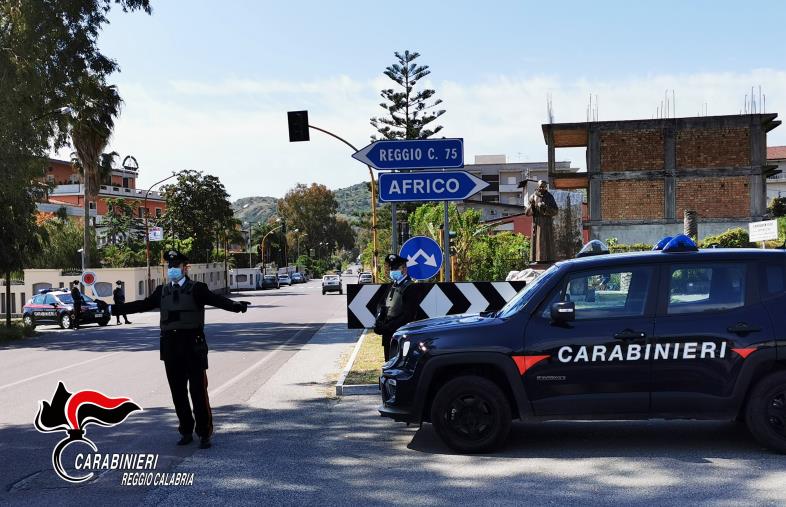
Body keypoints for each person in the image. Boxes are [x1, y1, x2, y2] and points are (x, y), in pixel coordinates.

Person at [110, 251, 249, 449]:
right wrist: (112, 310)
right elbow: (141, 305)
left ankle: (204, 433)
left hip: (193, 345)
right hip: (170, 347)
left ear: (185, 268)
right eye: (170, 266)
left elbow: (216, 300)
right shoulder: (162, 291)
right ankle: (185, 430)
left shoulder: (197, 289)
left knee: (198, 391)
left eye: (177, 265)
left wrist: (235, 305)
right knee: (178, 393)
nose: (173, 269)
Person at [374, 254, 419, 361]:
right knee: (388, 365)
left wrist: (388, 327)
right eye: (391, 268)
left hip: (401, 337)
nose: (392, 271)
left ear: (404, 269)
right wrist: (379, 322)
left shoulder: (410, 287)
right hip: (388, 336)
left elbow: (408, 315)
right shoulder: (391, 285)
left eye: (395, 268)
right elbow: (383, 305)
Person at [524, 180, 559, 263]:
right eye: (540, 186)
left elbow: (555, 211)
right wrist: (532, 206)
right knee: (538, 241)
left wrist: (545, 207)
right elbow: (527, 213)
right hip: (537, 223)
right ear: (537, 186)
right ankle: (537, 259)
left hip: (547, 223)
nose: (541, 188)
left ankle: (549, 259)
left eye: (543, 186)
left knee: (547, 241)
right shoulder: (533, 197)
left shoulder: (549, 197)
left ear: (546, 187)